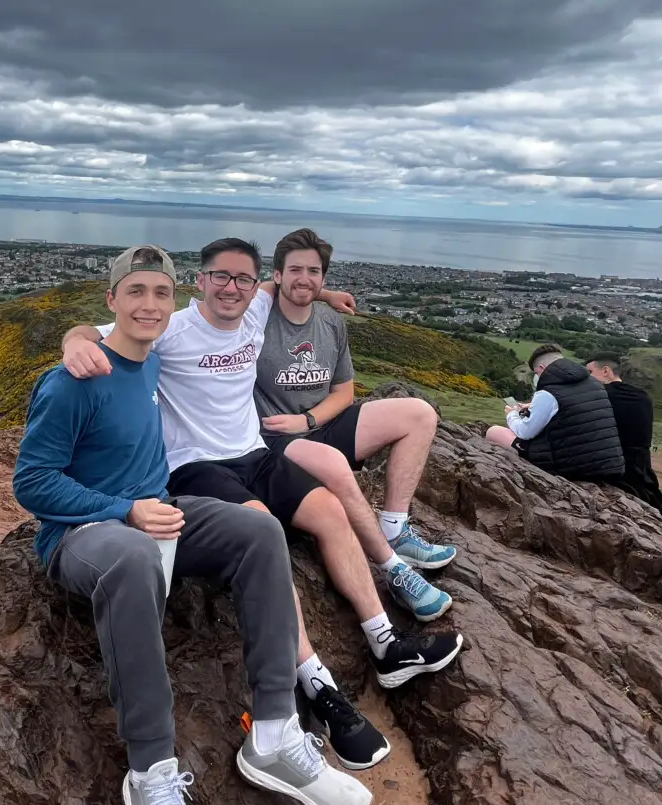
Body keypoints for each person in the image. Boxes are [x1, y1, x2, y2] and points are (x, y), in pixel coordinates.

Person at [14, 245, 371, 805]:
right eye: (136, 292)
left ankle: (272, 732)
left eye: (159, 293)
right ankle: (151, 777)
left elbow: (265, 292)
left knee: (260, 530)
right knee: (125, 561)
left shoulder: (154, 357)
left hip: (162, 511)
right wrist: (120, 510)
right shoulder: (72, 378)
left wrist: (323, 295)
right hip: (87, 535)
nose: (149, 305)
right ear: (112, 299)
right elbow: (30, 482)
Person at [61, 237, 463, 773]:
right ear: (198, 281)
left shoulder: (257, 307)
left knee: (331, 513)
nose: (231, 288)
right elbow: (100, 331)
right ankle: (321, 689)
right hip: (196, 466)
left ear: (255, 286)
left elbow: (291, 283)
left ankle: (386, 644)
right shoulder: (171, 329)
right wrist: (73, 340)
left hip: (254, 452)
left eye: (242, 280)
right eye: (219, 277)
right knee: (263, 537)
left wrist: (330, 294)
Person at [255, 227, 460, 619]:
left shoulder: (331, 324)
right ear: (276, 275)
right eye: (294, 269)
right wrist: (296, 424)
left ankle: (396, 529)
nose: (304, 278)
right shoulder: (258, 317)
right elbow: (249, 290)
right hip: (276, 436)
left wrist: (310, 418)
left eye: (314, 271)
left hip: (319, 422)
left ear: (324, 277)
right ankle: (393, 571)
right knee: (332, 465)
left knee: (419, 413)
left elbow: (345, 393)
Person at [485, 344, 625, 483]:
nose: (537, 377)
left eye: (536, 373)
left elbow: (525, 432)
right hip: (609, 466)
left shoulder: (548, 391)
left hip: (573, 468)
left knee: (494, 432)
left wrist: (512, 414)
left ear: (541, 368)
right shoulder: (595, 384)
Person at [584, 353, 662, 517]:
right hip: (643, 472)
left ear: (606, 371)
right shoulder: (643, 397)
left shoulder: (601, 396)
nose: (587, 378)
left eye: (589, 372)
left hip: (615, 471)